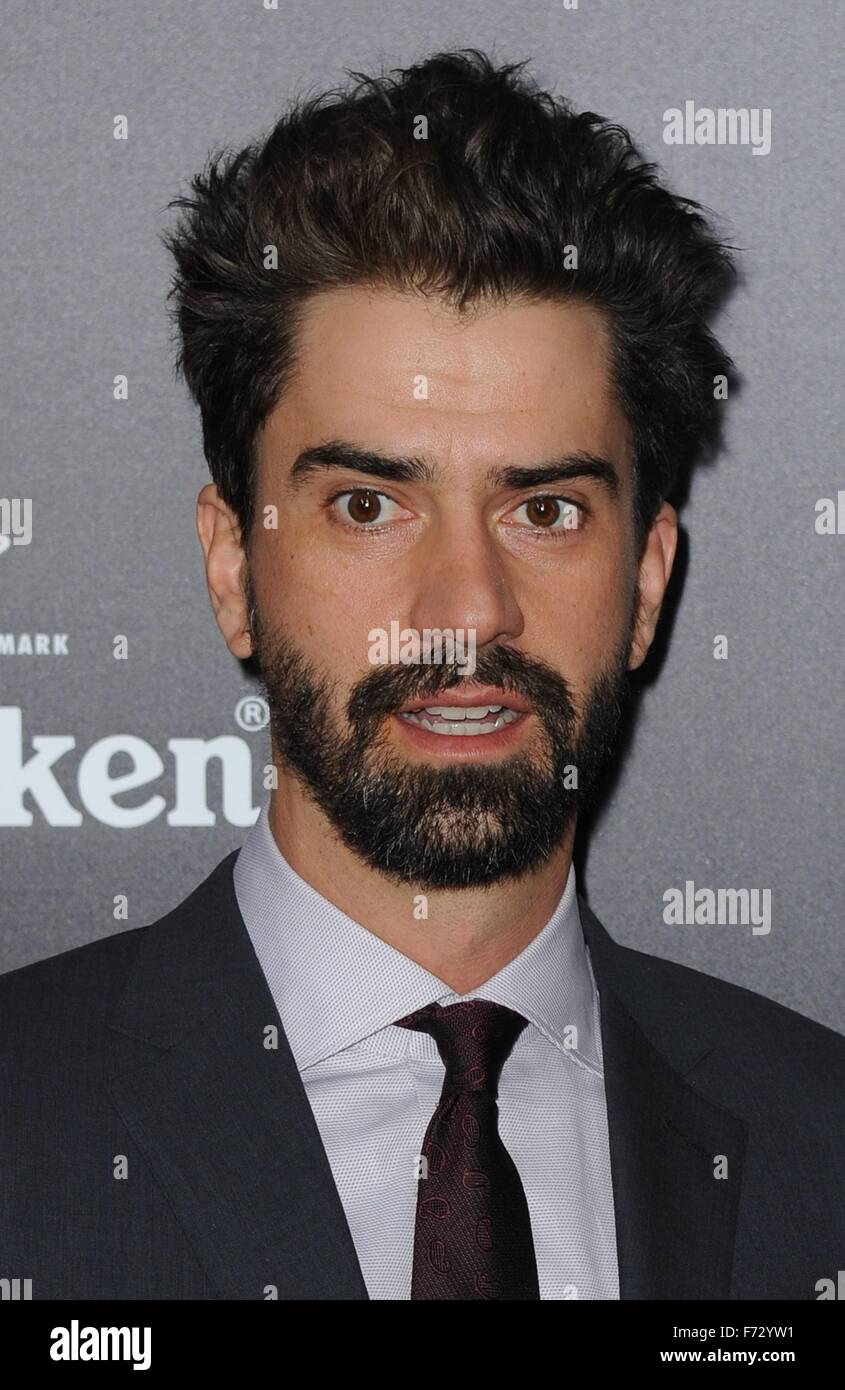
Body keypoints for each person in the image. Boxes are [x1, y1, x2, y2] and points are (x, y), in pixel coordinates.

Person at [2, 49, 843, 1302]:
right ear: (234, 563)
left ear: (648, 580)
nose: (466, 610)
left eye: (546, 510)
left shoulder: (817, 1150)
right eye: (366, 503)